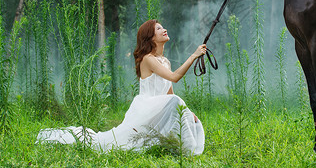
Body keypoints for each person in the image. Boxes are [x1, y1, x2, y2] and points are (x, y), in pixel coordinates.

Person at [37, 19, 206, 155]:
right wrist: (193, 56)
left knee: (186, 112)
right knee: (109, 142)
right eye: (159, 28)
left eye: (163, 27)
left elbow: (169, 91)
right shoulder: (148, 59)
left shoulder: (166, 61)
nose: (164, 29)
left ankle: (177, 147)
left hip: (159, 107)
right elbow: (175, 78)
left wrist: (187, 111)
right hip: (146, 107)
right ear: (150, 37)